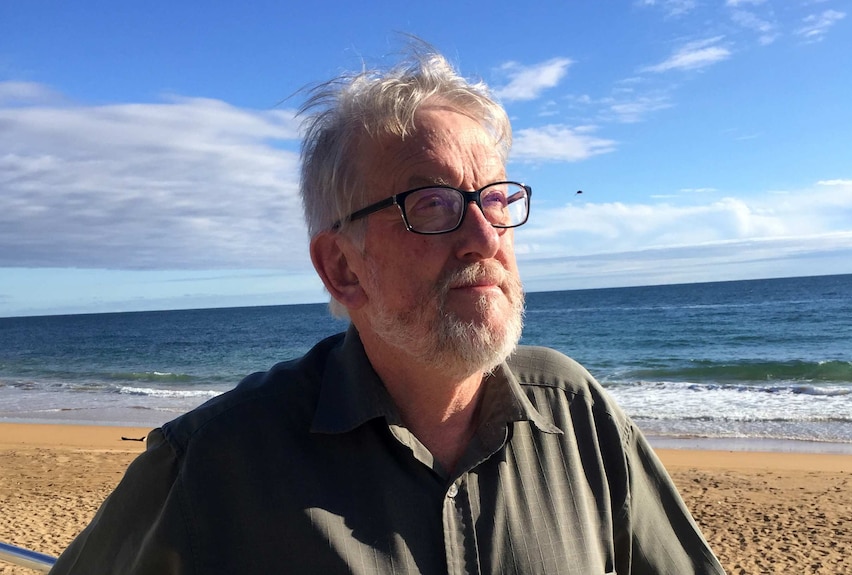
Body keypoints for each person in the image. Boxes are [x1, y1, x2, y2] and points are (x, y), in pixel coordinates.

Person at [50, 45, 725, 575]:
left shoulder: (580, 418)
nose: (486, 237)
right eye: (432, 204)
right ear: (342, 266)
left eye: (495, 198)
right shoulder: (214, 464)